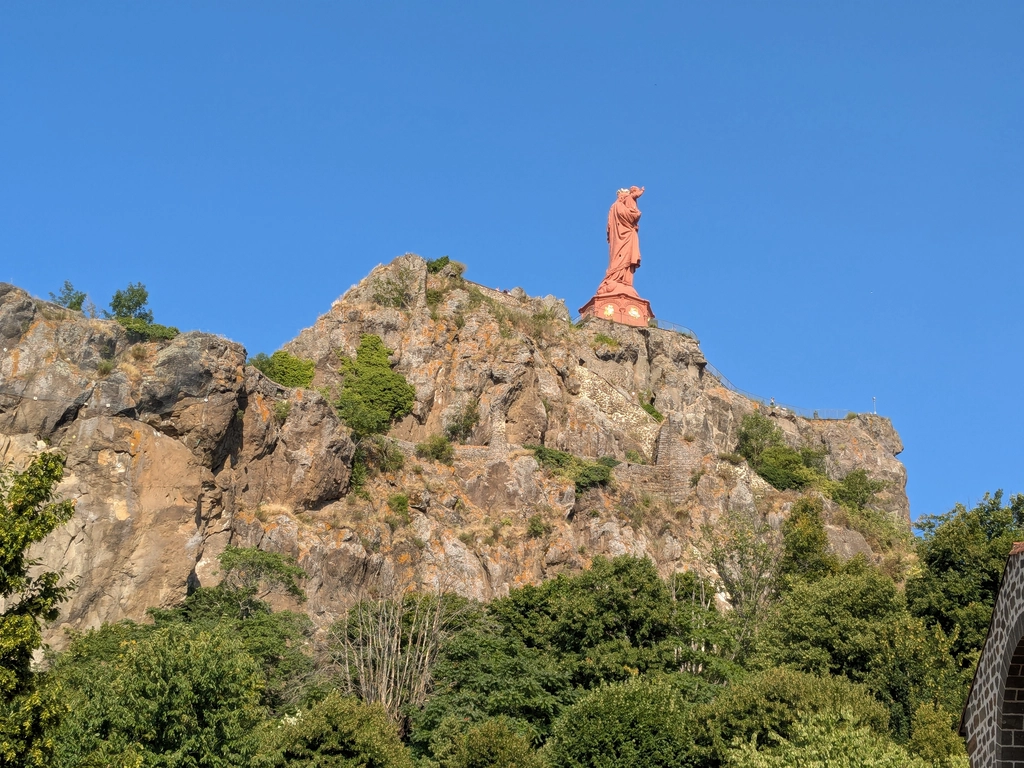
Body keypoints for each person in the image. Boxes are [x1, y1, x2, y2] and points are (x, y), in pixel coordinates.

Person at [597, 186, 644, 296]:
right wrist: (636, 212)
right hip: (623, 238)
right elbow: (630, 217)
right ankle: (616, 278)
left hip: (624, 236)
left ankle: (625, 281)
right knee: (621, 258)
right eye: (624, 197)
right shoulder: (618, 206)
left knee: (625, 260)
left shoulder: (616, 207)